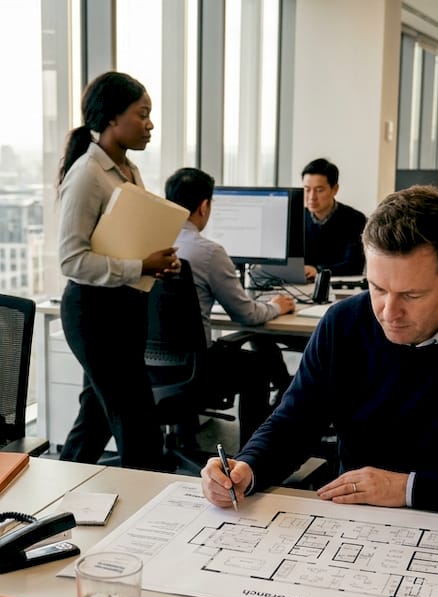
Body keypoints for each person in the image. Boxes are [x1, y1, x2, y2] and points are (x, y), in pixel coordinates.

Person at [201, 186, 438, 525]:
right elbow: (294, 423)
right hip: (363, 524)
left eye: (411, 295)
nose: (387, 311)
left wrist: (408, 489)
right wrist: (246, 468)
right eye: (377, 287)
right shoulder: (343, 324)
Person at [56, 71, 180, 470]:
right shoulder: (86, 176)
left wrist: (156, 262)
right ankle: (149, 520)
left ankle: (57, 494)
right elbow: (71, 260)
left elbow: (124, 238)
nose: (150, 124)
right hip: (93, 313)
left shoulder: (128, 170)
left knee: (94, 420)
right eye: (142, 114)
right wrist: (140, 265)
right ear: (112, 118)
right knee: (139, 424)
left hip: (125, 310)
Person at [165, 167, 295, 447]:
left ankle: (184, 439)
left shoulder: (149, 244)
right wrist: (275, 306)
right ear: (204, 206)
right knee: (258, 368)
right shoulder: (209, 252)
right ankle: (253, 456)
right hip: (194, 367)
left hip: (147, 363)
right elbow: (246, 314)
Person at [301, 158, 367, 281]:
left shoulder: (354, 219)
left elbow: (354, 265)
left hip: (338, 287)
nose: (311, 197)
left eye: (319, 190)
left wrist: (318, 271)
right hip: (298, 285)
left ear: (335, 189)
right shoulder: (296, 218)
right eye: (307, 189)